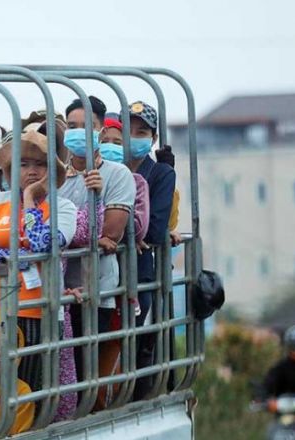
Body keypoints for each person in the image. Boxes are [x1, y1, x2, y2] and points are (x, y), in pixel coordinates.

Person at [0, 129, 78, 420]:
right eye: (23, 164)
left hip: (39, 314)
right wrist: (15, 257)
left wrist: (31, 199)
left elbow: (45, 243)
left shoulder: (63, 206)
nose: (31, 171)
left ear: (51, 170)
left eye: (39, 165)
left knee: (30, 388)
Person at [59, 97, 136, 402]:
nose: (78, 133)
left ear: (101, 131)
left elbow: (111, 233)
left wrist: (97, 194)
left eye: (86, 127)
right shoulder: (53, 176)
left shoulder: (117, 174)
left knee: (85, 368)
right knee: (56, 365)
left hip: (95, 289)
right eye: (72, 126)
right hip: (58, 288)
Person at [125, 101, 177, 401]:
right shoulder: (108, 166)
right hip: (109, 270)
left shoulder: (160, 174)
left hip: (141, 271)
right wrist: (132, 234)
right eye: (129, 130)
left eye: (141, 131)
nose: (135, 136)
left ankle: (136, 394)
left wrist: (120, 233)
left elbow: (155, 230)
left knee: (137, 335)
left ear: (153, 138)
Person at [98, 116, 151, 242]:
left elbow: (138, 230)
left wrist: (117, 221)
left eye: (117, 143)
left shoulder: (136, 182)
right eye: (104, 142)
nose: (110, 147)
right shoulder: (84, 176)